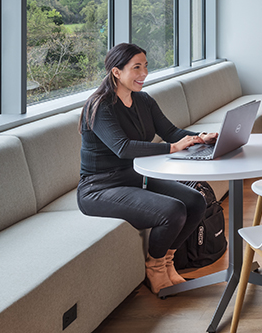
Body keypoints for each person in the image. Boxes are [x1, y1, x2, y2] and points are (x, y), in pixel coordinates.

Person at [78, 43, 212, 294]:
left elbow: (171, 132)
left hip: (135, 178)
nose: (144, 73)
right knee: (172, 210)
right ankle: (155, 267)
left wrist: (200, 137)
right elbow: (123, 148)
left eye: (146, 66)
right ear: (116, 72)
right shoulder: (99, 106)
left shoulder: (143, 100)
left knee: (195, 201)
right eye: (136, 67)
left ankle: (167, 262)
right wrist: (172, 148)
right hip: (100, 188)